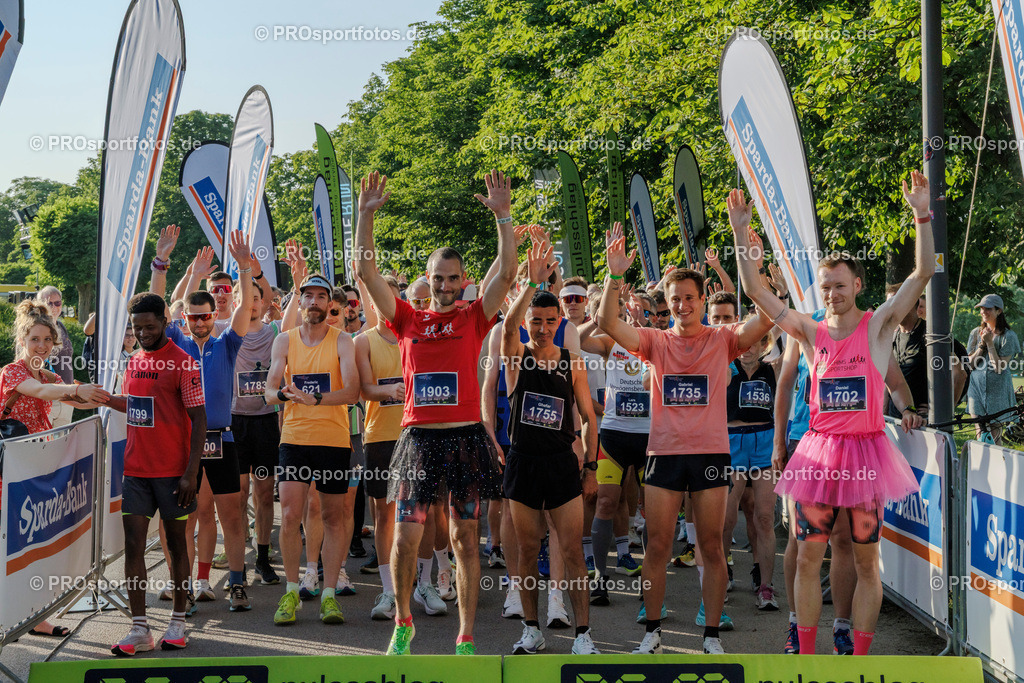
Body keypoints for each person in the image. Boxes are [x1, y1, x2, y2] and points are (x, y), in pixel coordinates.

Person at [731, 171, 933, 656]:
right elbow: (756, 291)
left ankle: (856, 656)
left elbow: (922, 272)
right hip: (818, 455)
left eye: (839, 285)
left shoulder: (880, 324)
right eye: (825, 287)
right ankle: (804, 650)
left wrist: (921, 212)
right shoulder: (808, 331)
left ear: (857, 285)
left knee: (866, 563)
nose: (831, 294)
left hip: (866, 456)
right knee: (806, 559)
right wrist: (743, 235)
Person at [354, 169, 516, 655]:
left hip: (465, 438)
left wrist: (503, 217)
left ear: (464, 281)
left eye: (452, 279)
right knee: (406, 537)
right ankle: (403, 621)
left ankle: (466, 634)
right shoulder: (406, 317)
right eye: (437, 279)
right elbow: (365, 273)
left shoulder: (473, 316)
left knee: (466, 538)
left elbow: (507, 273)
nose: (445, 286)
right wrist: (366, 216)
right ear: (427, 280)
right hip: (419, 442)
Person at [598, 222, 774, 656]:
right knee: (656, 546)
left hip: (711, 454)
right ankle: (652, 631)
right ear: (669, 302)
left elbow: (769, 316)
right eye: (675, 299)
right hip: (664, 455)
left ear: (701, 300)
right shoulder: (655, 342)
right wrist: (615, 275)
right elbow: (605, 321)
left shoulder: (723, 339)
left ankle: (711, 637)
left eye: (690, 298)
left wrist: (754, 262)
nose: (682, 305)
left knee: (712, 546)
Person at [501, 228, 600, 655]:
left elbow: (589, 418)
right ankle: (531, 628)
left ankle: (582, 636)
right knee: (526, 550)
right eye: (535, 321)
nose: (542, 328)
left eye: (549, 321)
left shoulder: (572, 361)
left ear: (560, 324)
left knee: (572, 551)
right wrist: (530, 282)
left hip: (562, 463)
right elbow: (506, 327)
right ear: (527, 323)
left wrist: (591, 466)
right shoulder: (516, 357)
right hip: (523, 462)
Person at [0, 301, 109, 639]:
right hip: (11, 473)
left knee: (35, 547)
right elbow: (43, 392)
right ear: (23, 339)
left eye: (48, 339)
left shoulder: (50, 374)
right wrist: (76, 389)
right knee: (8, 547)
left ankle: (35, 617)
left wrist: (115, 400)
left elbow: (78, 401)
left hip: (38, 471)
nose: (42, 346)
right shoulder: (12, 372)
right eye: (35, 339)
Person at [107, 293, 206, 655]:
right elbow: (136, 407)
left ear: (166, 321)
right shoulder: (133, 360)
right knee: (133, 545)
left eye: (150, 326)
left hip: (173, 473)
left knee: (176, 544)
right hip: (135, 470)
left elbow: (199, 420)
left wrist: (191, 472)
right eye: (137, 328)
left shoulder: (184, 362)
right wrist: (101, 398)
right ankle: (139, 630)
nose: (144, 333)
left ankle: (178, 621)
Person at [164, 233, 255, 612]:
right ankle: (183, 587)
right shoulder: (177, 343)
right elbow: (162, 307)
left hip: (222, 439)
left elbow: (246, 306)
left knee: (231, 515)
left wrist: (245, 268)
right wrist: (176, 269)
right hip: (185, 443)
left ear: (214, 316)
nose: (200, 322)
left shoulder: (226, 344)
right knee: (185, 521)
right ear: (187, 319)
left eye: (206, 316)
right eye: (194, 317)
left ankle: (236, 583)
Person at [264, 272, 361, 626]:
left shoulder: (343, 341)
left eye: (322, 297)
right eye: (309, 296)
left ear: (330, 304)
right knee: (290, 516)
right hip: (294, 439)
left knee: (334, 518)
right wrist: (284, 396)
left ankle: (329, 595)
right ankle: (291, 591)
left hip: (333, 440)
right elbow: (268, 391)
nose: (315, 302)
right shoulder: (284, 341)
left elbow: (352, 393)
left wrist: (315, 398)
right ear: (300, 301)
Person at [231, 275, 281, 586]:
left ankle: (262, 558)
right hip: (234, 423)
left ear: (264, 303)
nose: (251, 304)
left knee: (264, 493)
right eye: (245, 298)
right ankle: (238, 566)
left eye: (256, 299)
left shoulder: (275, 332)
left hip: (265, 423)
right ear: (238, 301)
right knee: (237, 495)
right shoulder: (224, 333)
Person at [884, 285, 968, 421]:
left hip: (921, 425)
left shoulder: (931, 337)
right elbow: (888, 383)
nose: (889, 308)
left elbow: (959, 375)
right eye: (887, 304)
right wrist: (885, 416)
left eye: (894, 303)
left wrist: (942, 412)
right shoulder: (891, 336)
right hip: (896, 423)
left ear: (911, 303)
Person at [966, 294, 1020, 445]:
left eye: (988, 308)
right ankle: (981, 464)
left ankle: (999, 465)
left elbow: (999, 368)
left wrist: (990, 343)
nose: (983, 311)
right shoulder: (975, 333)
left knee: (995, 432)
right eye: (982, 308)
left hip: (998, 389)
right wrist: (982, 346)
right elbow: (969, 365)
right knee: (979, 428)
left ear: (999, 311)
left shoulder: (1008, 336)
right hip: (976, 387)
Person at [36, 286, 75, 428]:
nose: (53, 307)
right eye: (48, 303)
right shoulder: (36, 329)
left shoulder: (61, 326)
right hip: (47, 396)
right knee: (44, 444)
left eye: (57, 303)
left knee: (62, 444)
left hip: (66, 395)